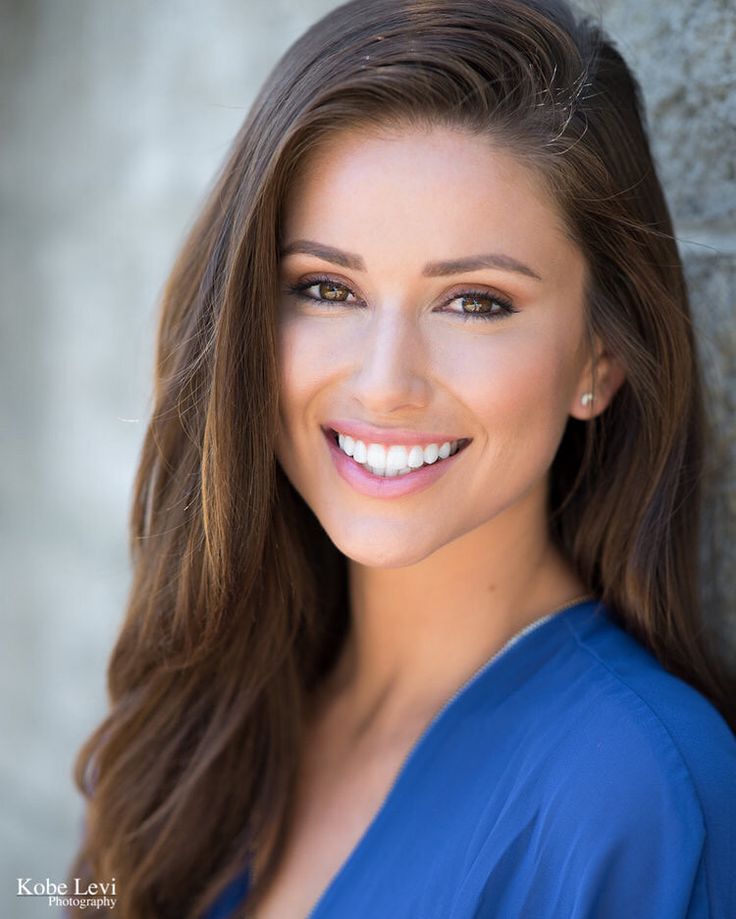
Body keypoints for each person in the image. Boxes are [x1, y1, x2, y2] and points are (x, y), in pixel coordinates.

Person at [68, 0, 736, 917]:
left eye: (474, 301)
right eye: (326, 288)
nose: (385, 384)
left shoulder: (635, 793)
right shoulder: (194, 724)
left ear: (600, 358)